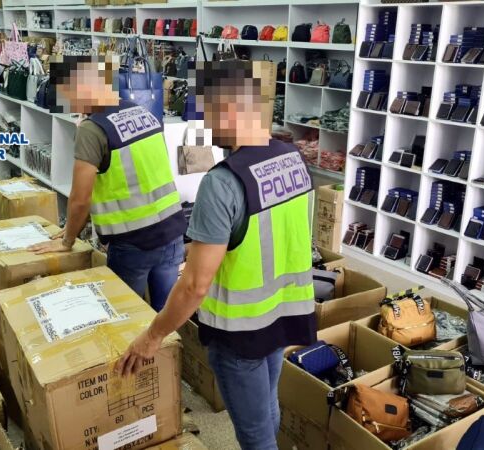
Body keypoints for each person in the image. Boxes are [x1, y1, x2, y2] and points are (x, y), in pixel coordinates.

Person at [116, 59, 316, 450]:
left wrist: (152, 336)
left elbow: (195, 285)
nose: (207, 124)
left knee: (255, 436)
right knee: (267, 411)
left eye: (209, 111)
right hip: (281, 315)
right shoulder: (292, 158)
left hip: (239, 334)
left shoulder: (223, 182)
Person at [28, 55, 186, 312]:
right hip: (172, 232)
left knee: (126, 315)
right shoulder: (142, 111)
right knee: (165, 315)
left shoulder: (92, 129)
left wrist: (67, 240)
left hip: (134, 243)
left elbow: (80, 199)